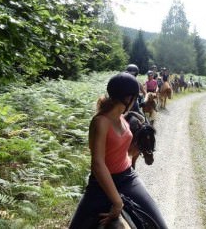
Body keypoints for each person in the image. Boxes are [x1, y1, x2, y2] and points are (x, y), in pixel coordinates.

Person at [68, 72, 167, 228]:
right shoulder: (100, 122)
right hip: (100, 184)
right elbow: (98, 164)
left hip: (127, 178)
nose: (136, 101)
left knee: (159, 225)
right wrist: (117, 202)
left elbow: (121, 151)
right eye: (134, 97)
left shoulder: (123, 117)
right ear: (128, 98)